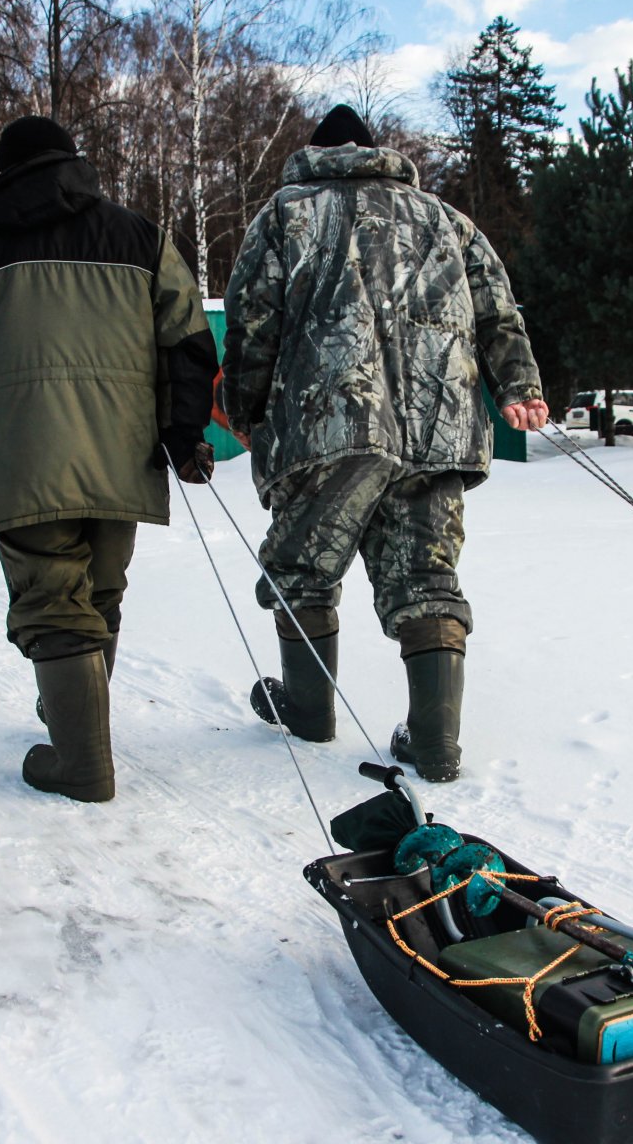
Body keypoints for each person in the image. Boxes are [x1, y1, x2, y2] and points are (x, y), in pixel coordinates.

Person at [0, 115, 217, 803]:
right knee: (100, 593)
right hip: (122, 452)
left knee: (51, 599)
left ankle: (81, 764)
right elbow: (187, 341)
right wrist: (182, 431)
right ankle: (75, 718)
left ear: (3, 170)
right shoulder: (138, 236)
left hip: (18, 453)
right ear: (74, 162)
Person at [220, 105, 547, 783]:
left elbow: (253, 324)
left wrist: (244, 406)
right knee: (426, 576)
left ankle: (309, 710)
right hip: (440, 426)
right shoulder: (447, 220)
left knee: (302, 566)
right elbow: (498, 311)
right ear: (375, 151)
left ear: (315, 153)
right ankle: (435, 743)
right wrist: (518, 384)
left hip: (330, 425)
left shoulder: (286, 214)